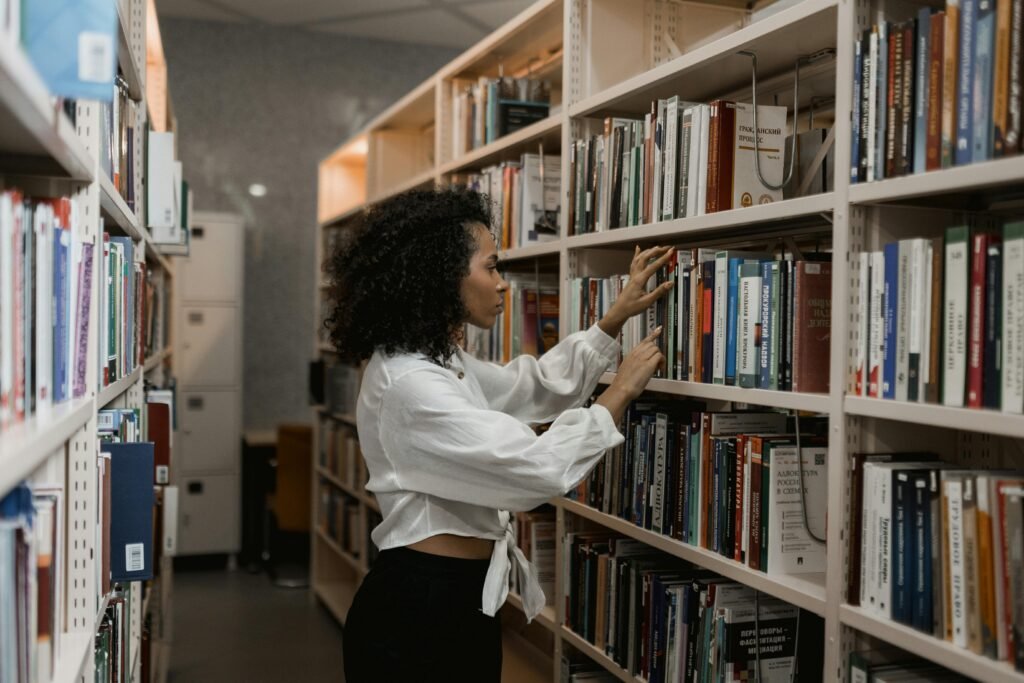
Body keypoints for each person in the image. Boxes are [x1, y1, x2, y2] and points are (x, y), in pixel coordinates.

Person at [327, 188, 674, 682]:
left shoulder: (433, 363)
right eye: (491, 267)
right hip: (421, 607)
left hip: (458, 597)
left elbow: (524, 388)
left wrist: (611, 322)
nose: (502, 284)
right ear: (442, 278)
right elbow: (533, 471)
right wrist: (617, 395)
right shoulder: (410, 383)